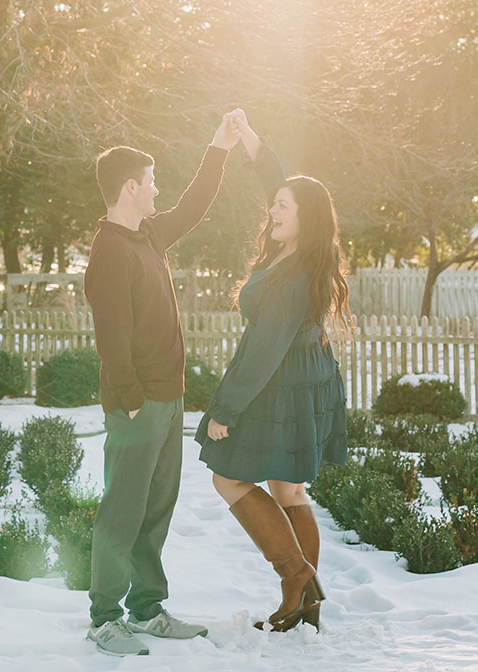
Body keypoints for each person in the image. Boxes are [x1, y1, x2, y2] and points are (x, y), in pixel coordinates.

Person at [82, 112, 240, 656]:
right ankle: (105, 619)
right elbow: (112, 339)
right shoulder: (109, 253)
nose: (157, 190)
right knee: (122, 510)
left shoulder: (147, 234)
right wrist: (129, 401)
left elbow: (194, 206)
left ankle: (146, 609)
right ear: (130, 187)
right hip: (138, 405)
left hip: (167, 402)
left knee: (156, 508)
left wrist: (218, 147)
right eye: (150, 181)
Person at [196, 112, 350, 633]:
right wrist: (251, 142)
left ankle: (295, 577)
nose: (273, 209)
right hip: (304, 381)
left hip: (281, 386)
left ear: (304, 217)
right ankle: (306, 603)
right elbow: (285, 185)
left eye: (283, 206)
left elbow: (263, 350)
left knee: (227, 476)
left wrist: (224, 409)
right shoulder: (304, 251)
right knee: (288, 490)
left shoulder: (291, 276)